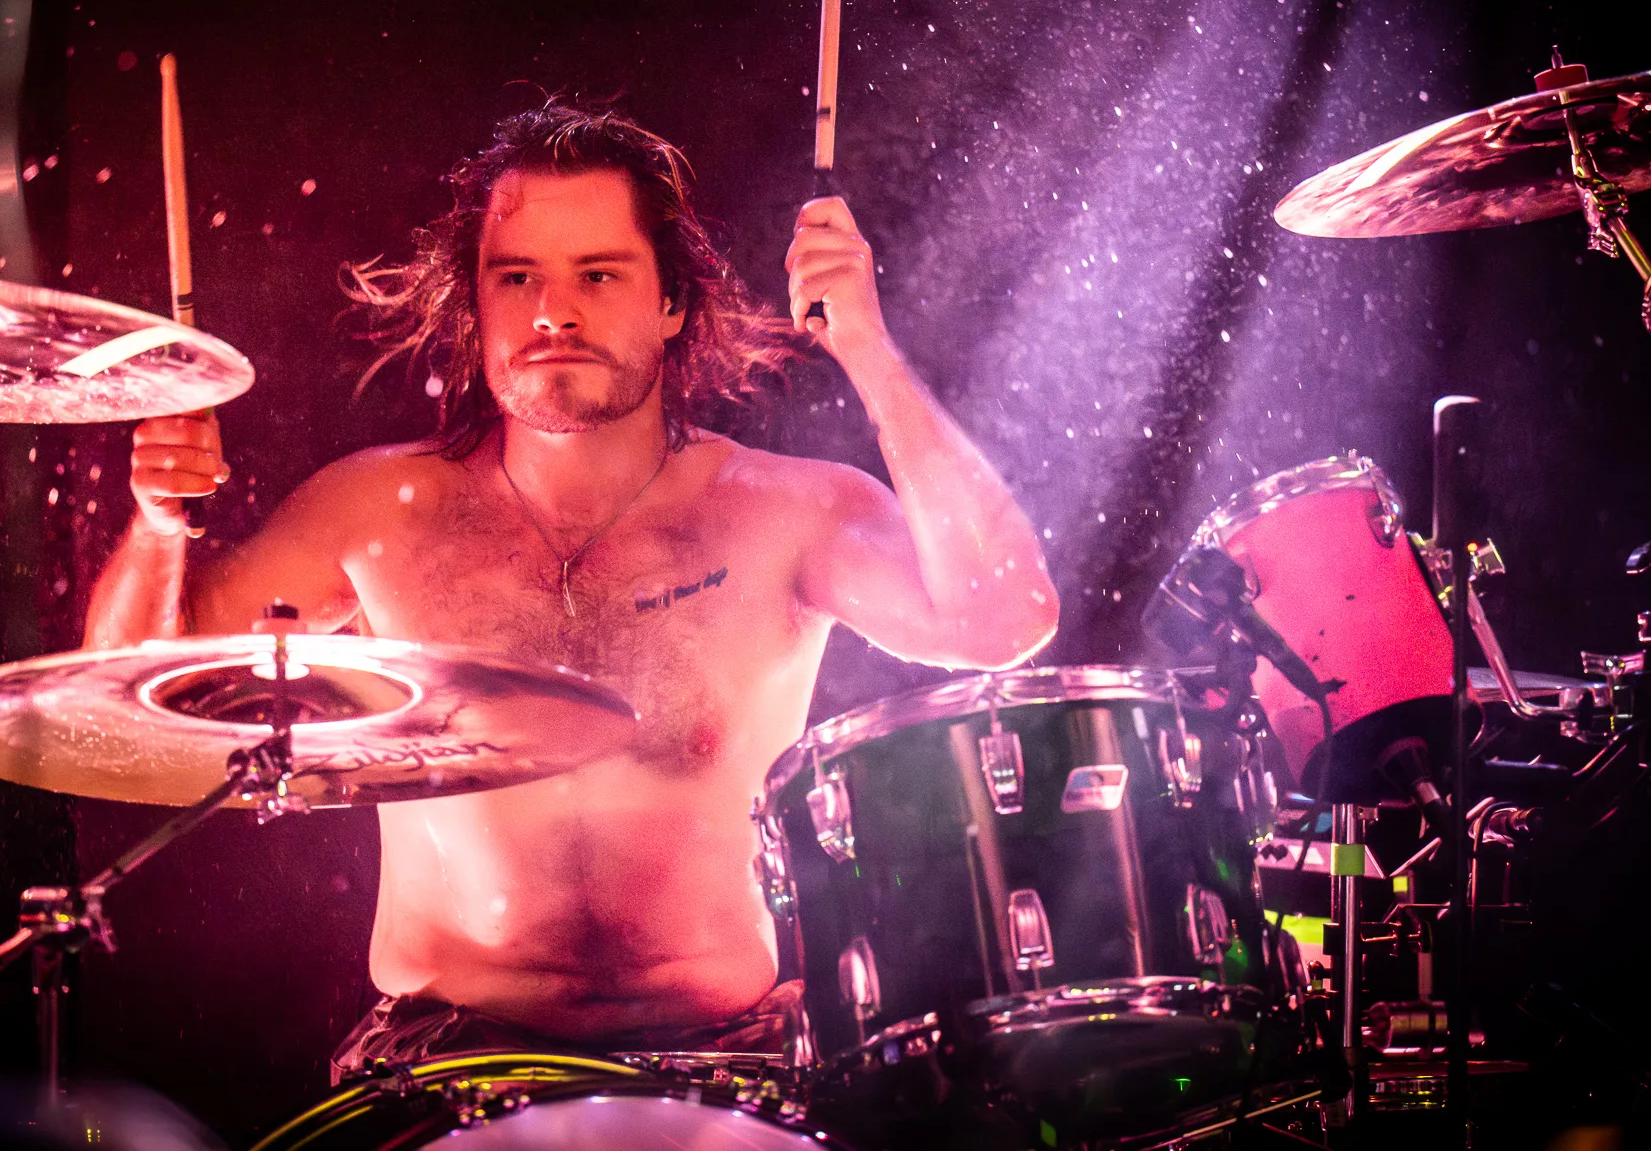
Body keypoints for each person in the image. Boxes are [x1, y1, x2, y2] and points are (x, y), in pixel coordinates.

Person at [83, 102, 1058, 1073]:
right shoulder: (378, 512)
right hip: (447, 1066)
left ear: (670, 302)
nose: (554, 311)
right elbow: (126, 694)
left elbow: (1003, 616)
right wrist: (159, 524)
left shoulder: (782, 513)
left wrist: (869, 351)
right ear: (477, 305)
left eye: (598, 274)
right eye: (518, 278)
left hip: (727, 1070)